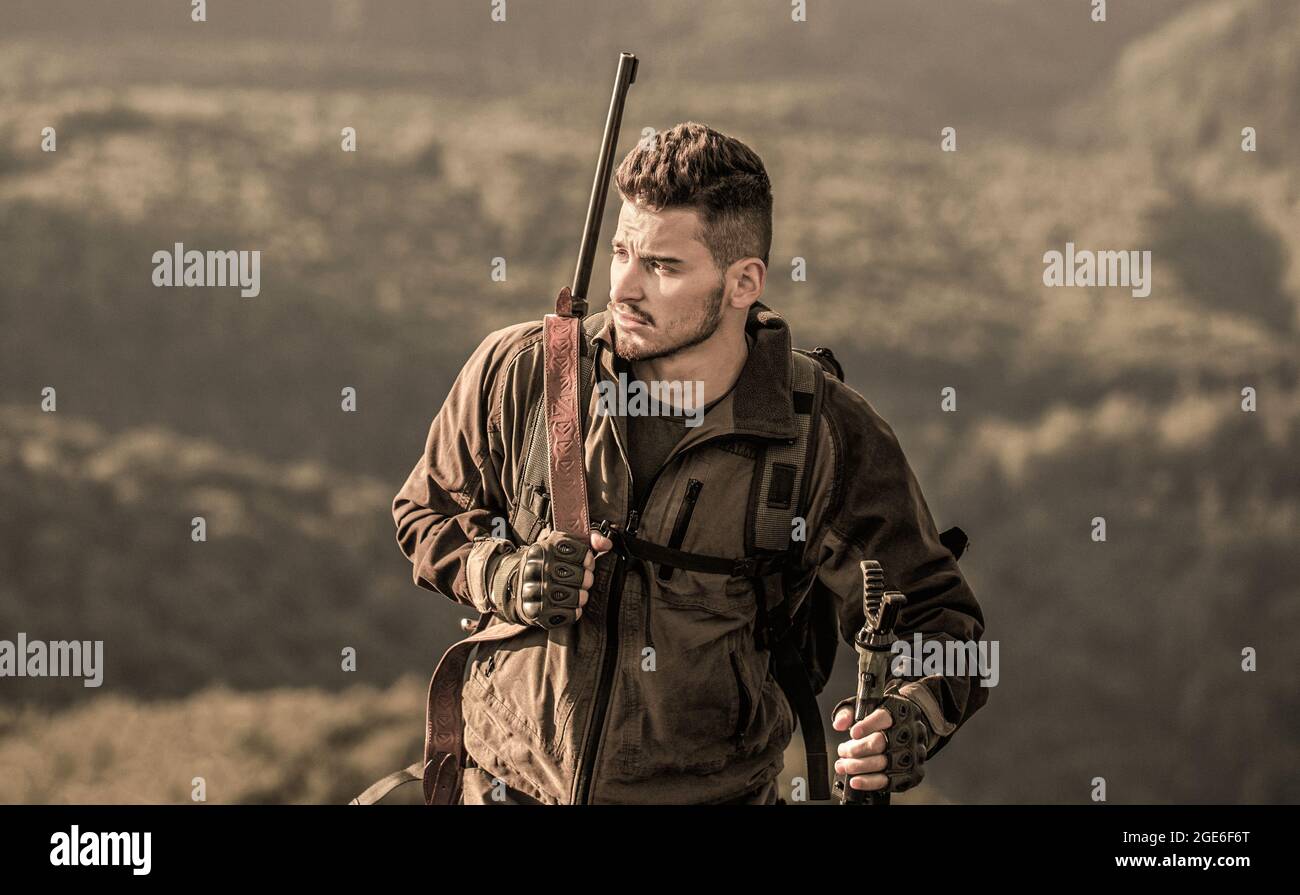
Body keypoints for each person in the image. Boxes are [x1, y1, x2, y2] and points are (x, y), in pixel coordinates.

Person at [392, 121, 987, 804]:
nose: (626, 288)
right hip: (499, 789)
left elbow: (943, 625)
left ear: (742, 282)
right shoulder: (524, 372)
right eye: (621, 252)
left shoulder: (822, 433)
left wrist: (908, 720)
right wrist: (499, 570)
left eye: (664, 267)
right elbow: (426, 512)